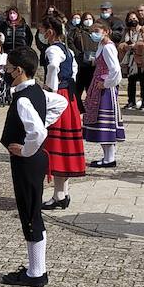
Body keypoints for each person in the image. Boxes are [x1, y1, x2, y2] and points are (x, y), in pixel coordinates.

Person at [1, 46, 65, 287]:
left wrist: (27, 148)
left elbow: (37, 131)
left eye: (8, 68)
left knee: (30, 213)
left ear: (18, 70)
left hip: (28, 160)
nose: (6, 71)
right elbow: (60, 103)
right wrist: (42, 121)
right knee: (32, 210)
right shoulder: (36, 91)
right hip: (35, 159)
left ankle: (37, 273)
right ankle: (36, 268)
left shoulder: (24, 98)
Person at [40, 19, 86, 210]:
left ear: (50, 32)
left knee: (57, 144)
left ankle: (59, 195)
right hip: (70, 97)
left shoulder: (52, 50)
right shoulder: (68, 51)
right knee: (65, 146)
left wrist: (51, 90)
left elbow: (52, 68)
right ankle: (63, 193)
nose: (41, 34)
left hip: (60, 97)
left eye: (43, 30)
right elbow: (74, 71)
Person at [82, 21, 124, 168]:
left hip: (105, 89)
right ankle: (107, 157)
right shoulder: (101, 46)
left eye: (97, 30)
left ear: (106, 31)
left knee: (106, 122)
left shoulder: (108, 47)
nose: (94, 33)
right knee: (99, 122)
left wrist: (106, 83)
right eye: (92, 30)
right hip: (98, 86)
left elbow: (116, 70)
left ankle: (110, 158)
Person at [121, 11, 144, 110]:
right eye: (130, 19)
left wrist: (137, 46)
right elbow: (121, 44)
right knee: (131, 81)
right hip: (131, 60)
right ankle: (131, 102)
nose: (133, 21)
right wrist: (125, 46)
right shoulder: (126, 32)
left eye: (134, 18)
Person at [69, 12, 99, 107]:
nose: (88, 21)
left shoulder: (95, 31)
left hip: (93, 63)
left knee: (91, 86)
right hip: (80, 63)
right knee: (78, 86)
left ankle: (91, 106)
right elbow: (70, 42)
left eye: (90, 18)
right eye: (86, 19)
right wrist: (78, 54)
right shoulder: (76, 31)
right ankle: (77, 106)